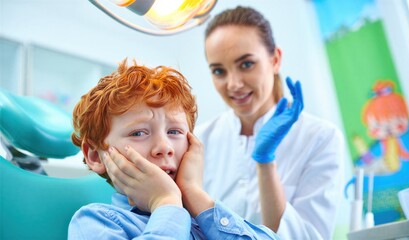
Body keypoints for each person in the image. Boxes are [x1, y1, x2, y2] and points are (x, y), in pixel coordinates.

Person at [104, 6, 345, 240]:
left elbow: (309, 236)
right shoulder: (197, 139)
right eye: (219, 71)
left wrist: (265, 163)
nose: (234, 84)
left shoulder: (321, 137)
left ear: (275, 60)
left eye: (246, 64)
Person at [68, 59, 279, 239]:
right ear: (96, 156)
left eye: (175, 132)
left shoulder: (206, 222)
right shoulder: (95, 222)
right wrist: (165, 202)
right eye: (139, 133)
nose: (164, 147)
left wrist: (194, 195)